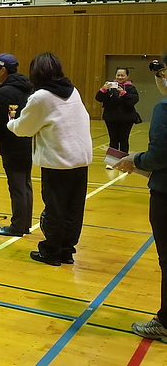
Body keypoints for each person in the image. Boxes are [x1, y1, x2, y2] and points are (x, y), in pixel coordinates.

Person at [8, 52, 92, 266]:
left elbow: (24, 129)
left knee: (55, 208)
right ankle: (66, 250)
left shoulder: (41, 97)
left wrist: (10, 121)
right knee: (74, 209)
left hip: (59, 161)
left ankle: (51, 251)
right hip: (80, 158)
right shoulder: (73, 91)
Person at [114, 55, 167, 341]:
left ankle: (165, 322)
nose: (159, 78)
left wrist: (136, 160)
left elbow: (159, 156)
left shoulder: (165, 108)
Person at [0, 53, 34, 236]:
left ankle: (17, 226)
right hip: (27, 140)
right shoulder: (28, 88)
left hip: (12, 143)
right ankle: (25, 223)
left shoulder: (5, 91)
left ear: (3, 70)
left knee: (17, 185)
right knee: (25, 183)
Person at [95, 67, 139, 155]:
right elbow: (99, 98)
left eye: (122, 75)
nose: (120, 77)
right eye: (118, 75)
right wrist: (103, 90)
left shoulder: (131, 88)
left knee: (124, 139)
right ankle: (112, 161)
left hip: (126, 118)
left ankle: (123, 160)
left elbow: (133, 101)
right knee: (113, 139)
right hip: (111, 118)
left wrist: (123, 93)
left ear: (127, 76)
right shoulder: (110, 87)